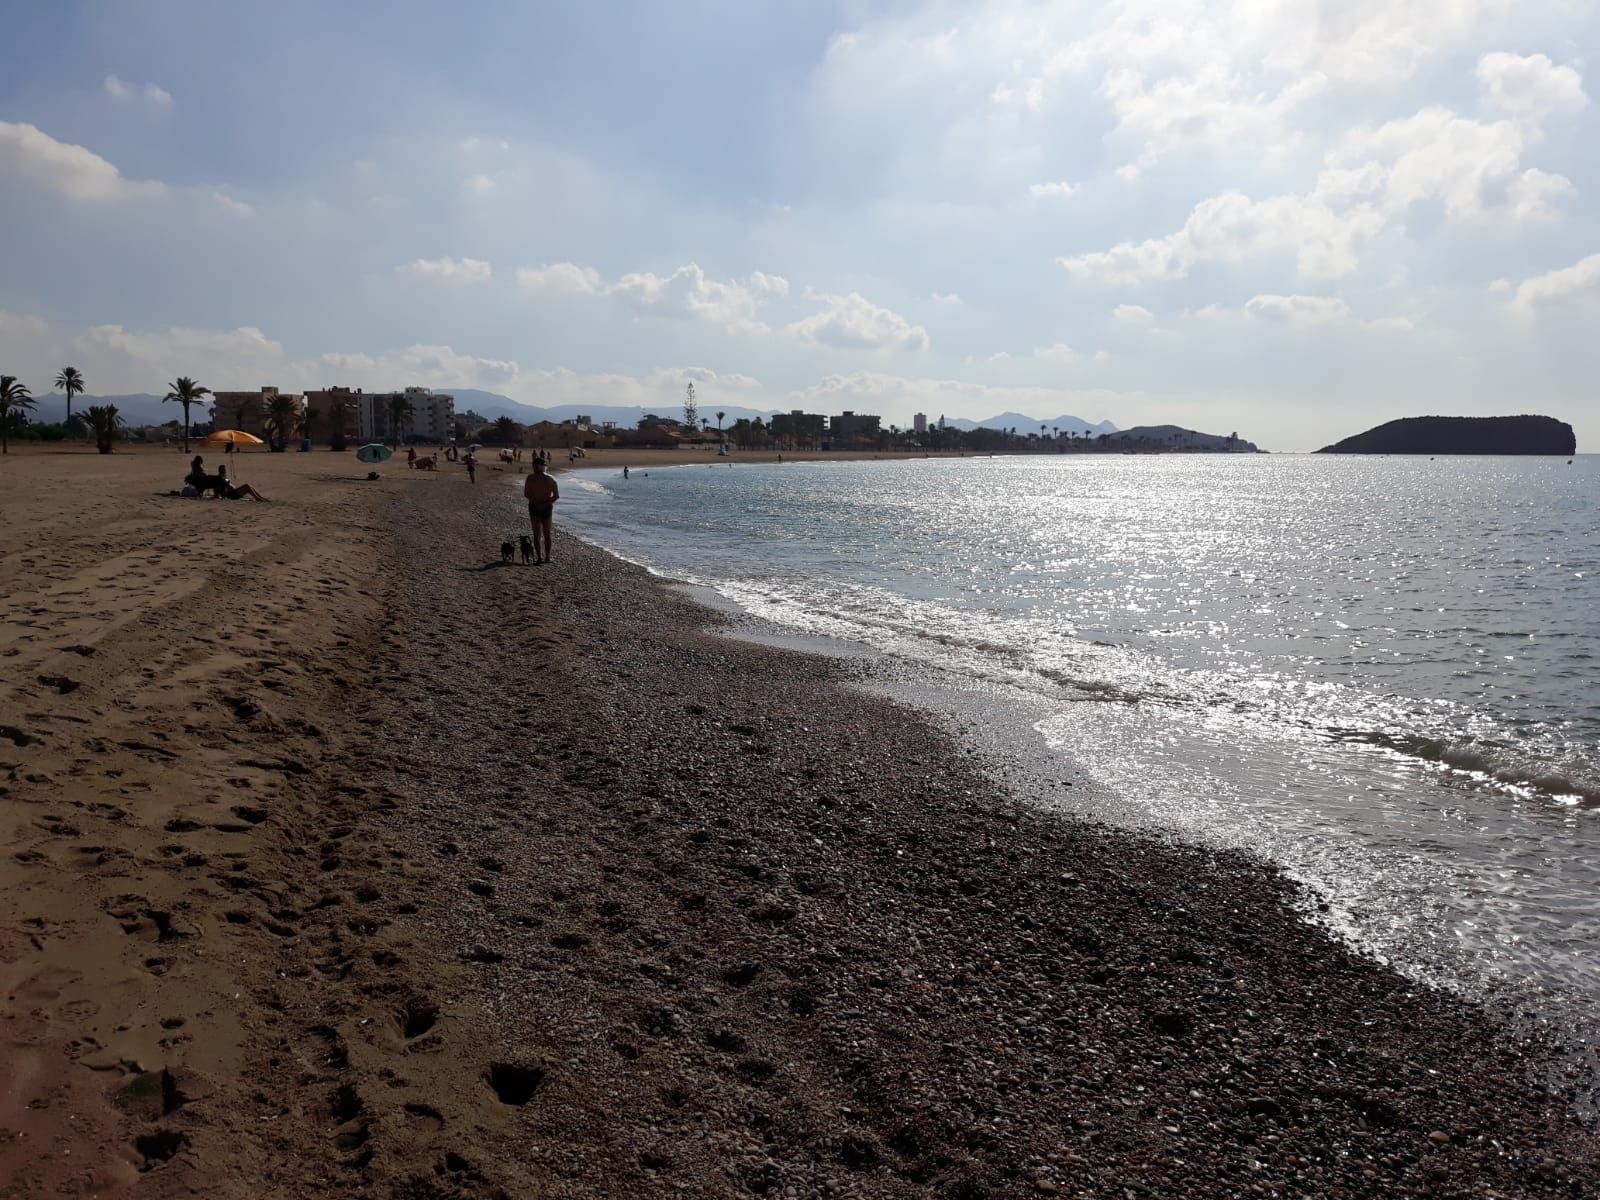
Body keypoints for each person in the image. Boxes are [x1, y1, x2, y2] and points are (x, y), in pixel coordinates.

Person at [523, 459, 559, 564]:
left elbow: (526, 493)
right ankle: (547, 557)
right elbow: (556, 496)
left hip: (534, 506)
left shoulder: (530, 478)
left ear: (537, 466)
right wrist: (545, 504)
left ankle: (539, 557)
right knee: (546, 533)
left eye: (533, 466)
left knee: (537, 534)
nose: (533, 468)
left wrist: (536, 503)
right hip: (546, 507)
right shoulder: (550, 479)